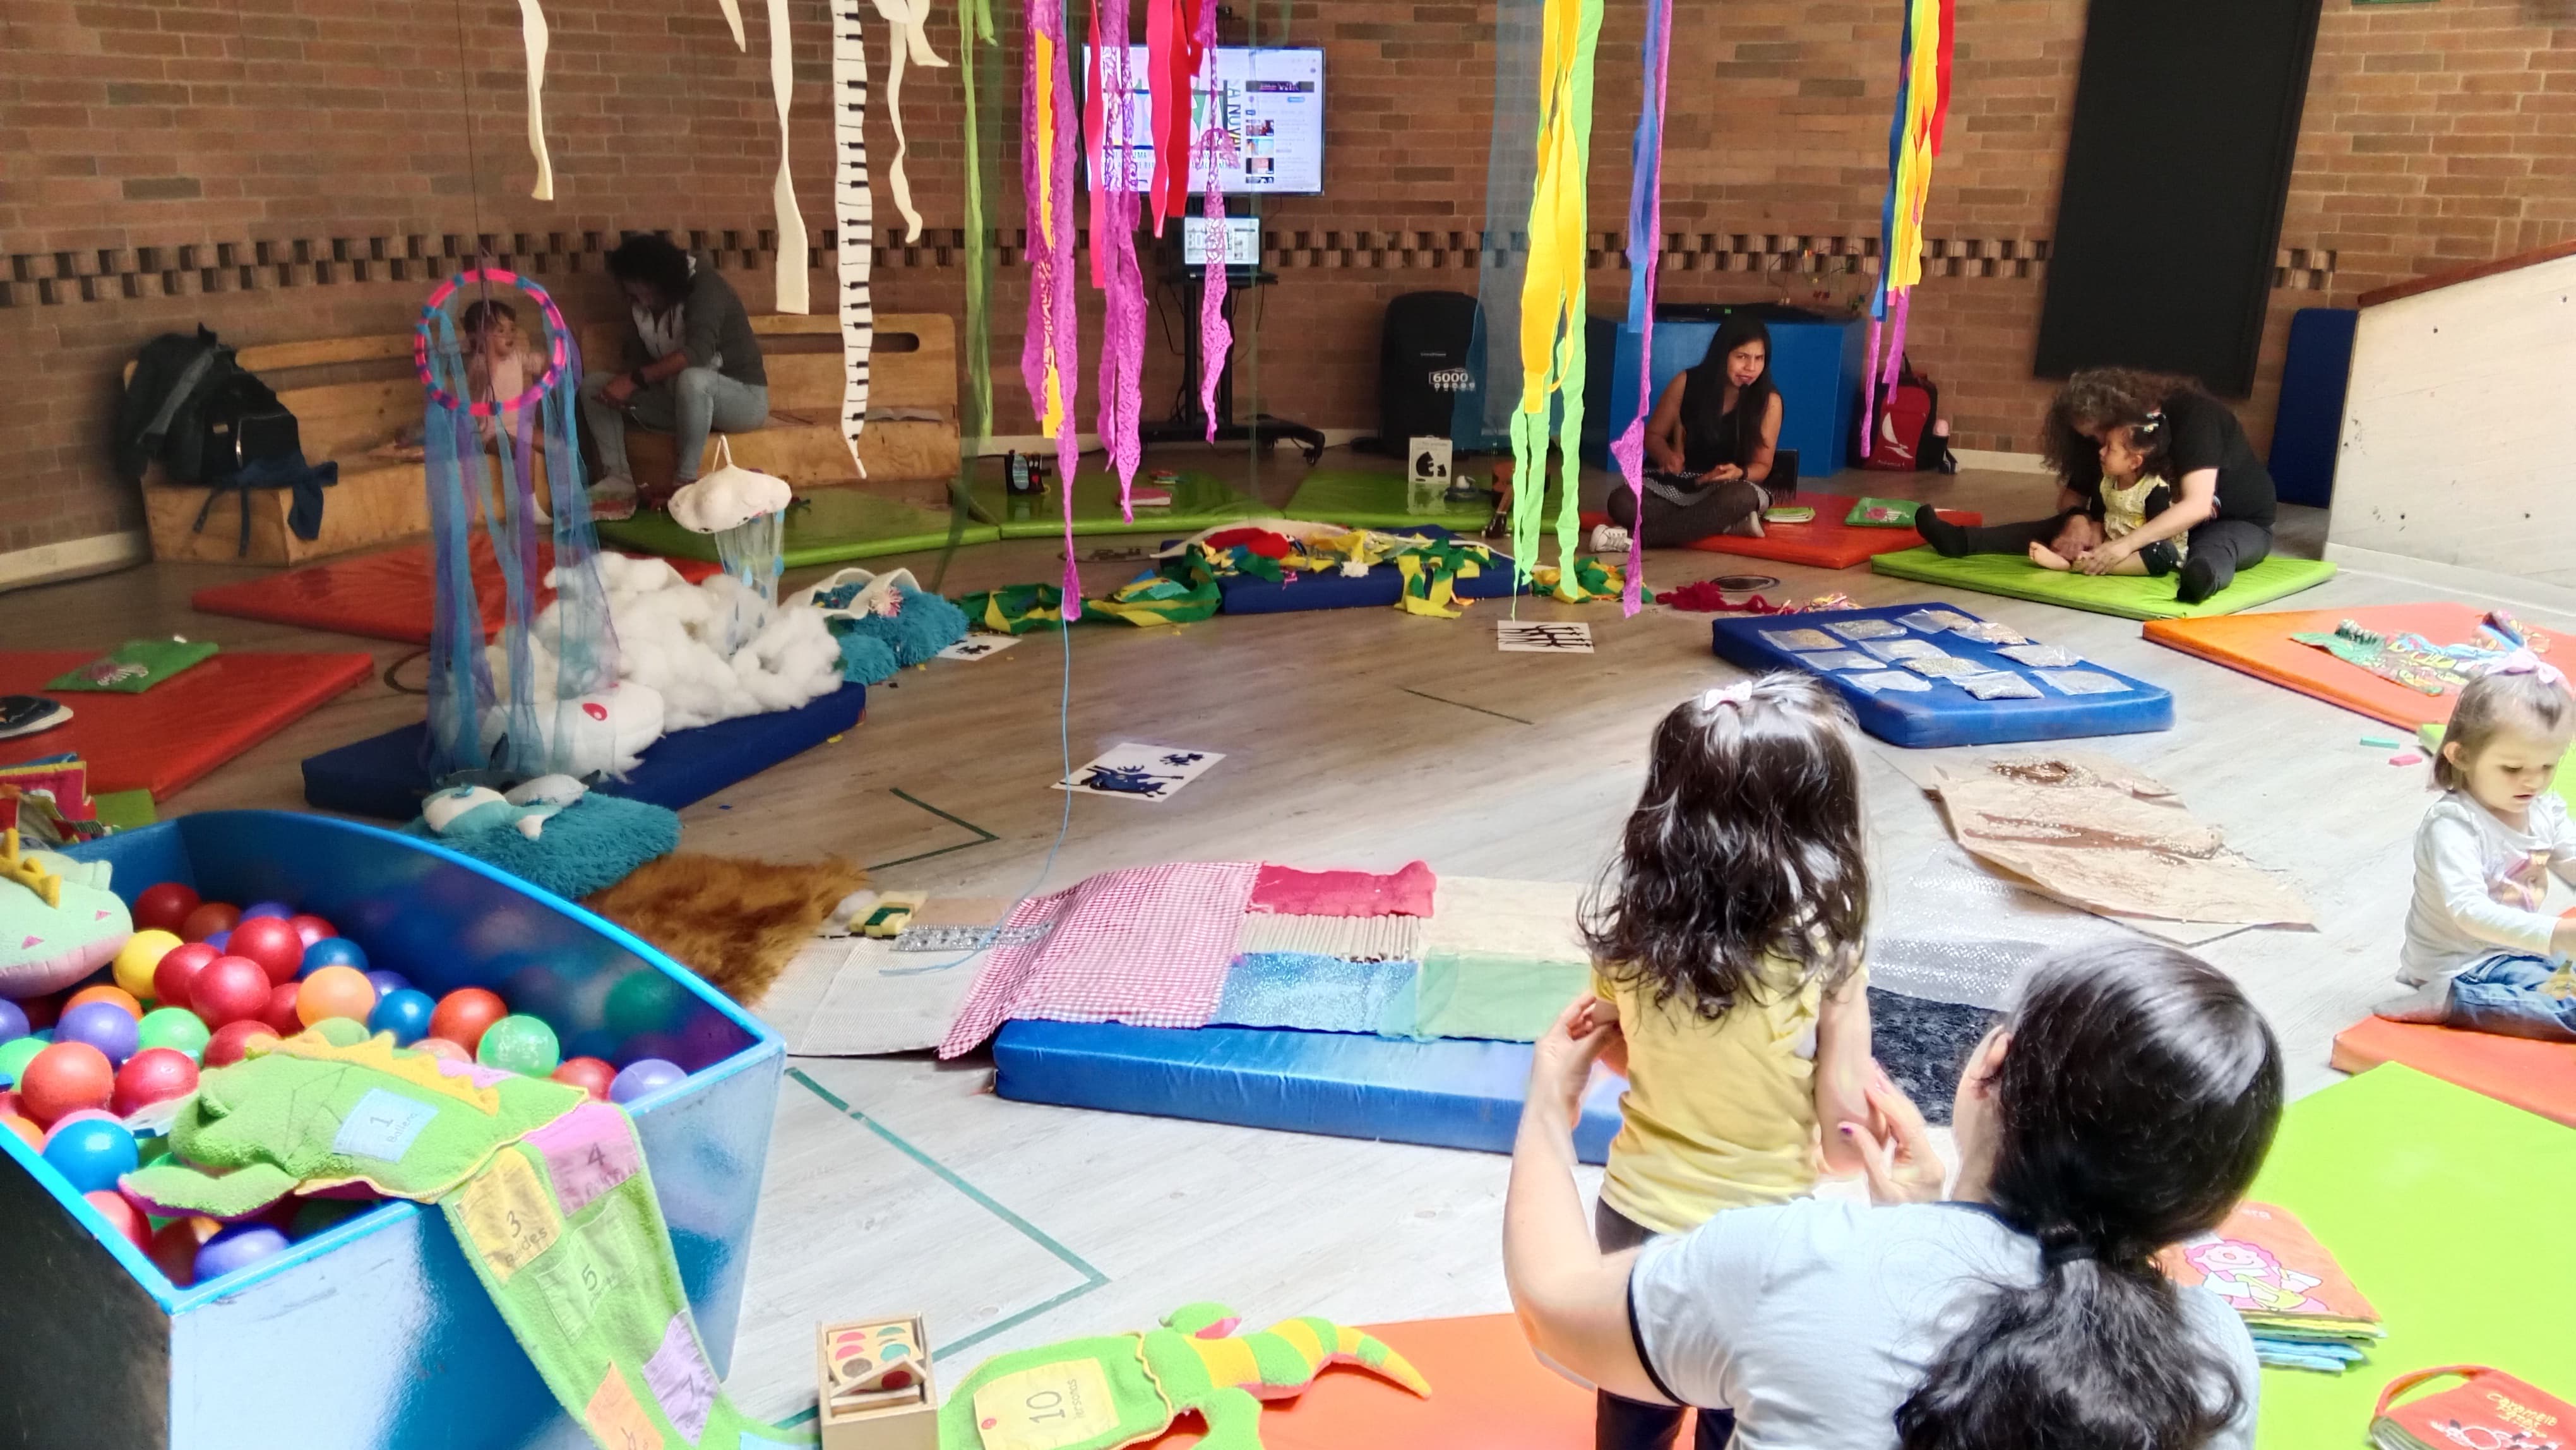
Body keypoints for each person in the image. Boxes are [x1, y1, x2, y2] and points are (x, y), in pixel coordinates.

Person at [1505, 940, 2278, 1450]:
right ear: (2208, 1202)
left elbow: (1553, 1304)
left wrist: (1545, 1111)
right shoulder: (2218, 1362)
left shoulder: (1793, 1262)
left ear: (1992, 1064)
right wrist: (1923, 1230)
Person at [1578, 673, 1874, 1450]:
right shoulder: (1827, 953)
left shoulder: (1636, 935)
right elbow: (1846, 1147)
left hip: (1634, 1212)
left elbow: (1610, 1044)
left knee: (1634, 1398)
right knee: (1734, 1406)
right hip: (1760, 1237)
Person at [1913, 368, 2277, 605]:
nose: (2097, 446)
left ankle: (2203, 578)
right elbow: (2072, 498)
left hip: (2231, 520)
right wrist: (2078, 520)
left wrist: (2123, 547)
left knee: (2218, 548)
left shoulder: (2196, 417)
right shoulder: (2106, 444)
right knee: (2059, 530)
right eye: (2090, 439)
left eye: (2100, 435)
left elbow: (2197, 506)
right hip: (2138, 524)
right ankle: (1962, 542)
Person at [2376, 660, 2576, 1040]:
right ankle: (2455, 1001)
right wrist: (2558, 934)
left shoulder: (2543, 810)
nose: (2533, 781)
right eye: (2512, 769)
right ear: (2462, 756)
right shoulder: (2454, 826)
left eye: (2548, 766)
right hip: (2463, 963)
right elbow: (2470, 912)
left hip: (2522, 952)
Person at [579, 233, 770, 521]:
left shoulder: (706, 288)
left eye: (637, 284)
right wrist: (629, 391)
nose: (631, 293)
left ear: (657, 278)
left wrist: (633, 381)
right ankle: (617, 478)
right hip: (680, 401)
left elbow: (697, 354)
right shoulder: (641, 306)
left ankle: (685, 483)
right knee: (594, 386)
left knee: (693, 379)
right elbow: (641, 362)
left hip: (743, 400)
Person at [1603, 315, 1792, 549]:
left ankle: (1638, 541)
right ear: (1722, 354)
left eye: (1759, 358)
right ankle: (1720, 523)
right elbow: (1653, 436)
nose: (1751, 368)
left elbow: (1762, 467)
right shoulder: (1686, 382)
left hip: (1727, 487)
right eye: (1741, 357)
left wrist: (1739, 472)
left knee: (1739, 499)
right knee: (1622, 502)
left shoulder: (1769, 402)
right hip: (1678, 483)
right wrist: (1667, 456)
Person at [2025, 416, 2183, 577]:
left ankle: (2092, 566)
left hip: (2140, 547)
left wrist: (2125, 547)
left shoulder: (2154, 489)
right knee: (2084, 541)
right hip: (2111, 542)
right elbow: (2101, 510)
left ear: (2134, 462)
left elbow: (2157, 532)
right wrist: (2096, 527)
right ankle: (2067, 561)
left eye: (2110, 448)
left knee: (2163, 552)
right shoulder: (2107, 481)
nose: (2101, 452)